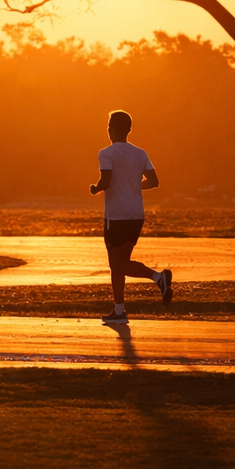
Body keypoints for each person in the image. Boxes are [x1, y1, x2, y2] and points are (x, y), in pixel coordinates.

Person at [90, 110, 173, 324]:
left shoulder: (106, 153)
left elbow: (106, 181)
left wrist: (95, 188)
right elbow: (154, 181)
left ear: (111, 129)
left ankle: (158, 278)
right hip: (136, 214)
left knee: (116, 265)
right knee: (121, 262)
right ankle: (119, 311)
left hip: (116, 216)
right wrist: (134, 187)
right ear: (129, 130)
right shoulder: (140, 153)